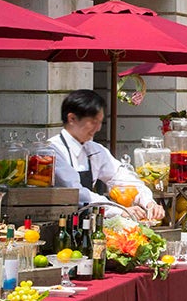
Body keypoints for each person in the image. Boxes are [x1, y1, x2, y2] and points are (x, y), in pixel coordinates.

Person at [48, 90, 159, 218]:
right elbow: (76, 193)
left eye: (100, 122)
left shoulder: (95, 150)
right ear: (72, 118)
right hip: (58, 223)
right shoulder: (53, 150)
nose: (98, 128)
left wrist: (148, 202)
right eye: (93, 122)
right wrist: (118, 210)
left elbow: (123, 177)